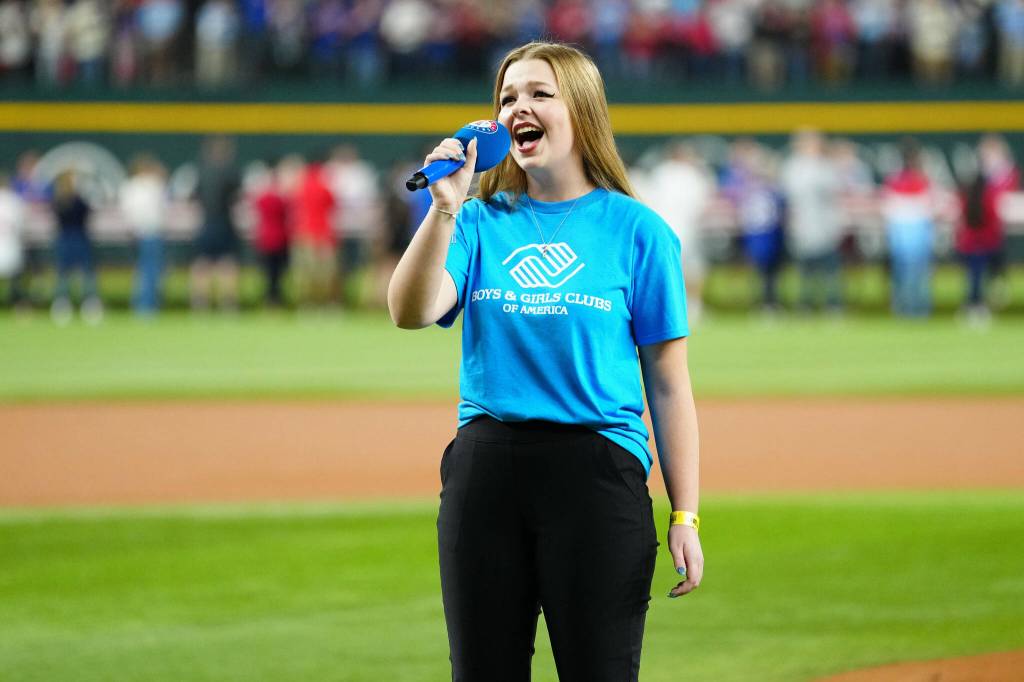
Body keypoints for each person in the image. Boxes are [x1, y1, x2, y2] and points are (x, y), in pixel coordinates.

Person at [387, 41, 703, 681]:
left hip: (598, 474)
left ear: (582, 110)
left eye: (538, 94)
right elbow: (410, 310)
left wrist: (685, 513)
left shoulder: (638, 231)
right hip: (487, 470)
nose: (517, 109)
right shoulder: (475, 220)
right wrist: (443, 208)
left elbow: (669, 387)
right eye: (506, 98)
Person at [956, 134, 1020, 325]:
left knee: (987, 266)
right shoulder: (978, 181)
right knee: (975, 271)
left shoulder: (1008, 174)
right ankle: (975, 304)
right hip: (975, 240)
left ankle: (987, 293)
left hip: (987, 239)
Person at [882, 139, 936, 318]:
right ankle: (910, 308)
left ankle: (912, 308)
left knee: (912, 273)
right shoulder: (903, 180)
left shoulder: (917, 180)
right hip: (907, 231)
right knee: (910, 273)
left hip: (911, 230)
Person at [191, 135, 241, 312]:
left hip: (208, 223)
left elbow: (194, 198)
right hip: (221, 223)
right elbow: (237, 197)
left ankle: (201, 303)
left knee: (204, 263)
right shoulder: (229, 172)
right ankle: (227, 303)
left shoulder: (202, 171)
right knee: (225, 264)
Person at [50, 170, 102, 325]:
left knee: (84, 273)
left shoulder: (72, 200)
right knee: (65, 274)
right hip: (69, 237)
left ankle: (90, 304)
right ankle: (62, 305)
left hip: (76, 237)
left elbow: (86, 214)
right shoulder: (63, 201)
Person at [119, 153, 168, 316]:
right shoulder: (152, 185)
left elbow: (126, 211)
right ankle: (147, 305)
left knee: (143, 270)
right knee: (150, 270)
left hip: (138, 233)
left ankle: (143, 304)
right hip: (149, 233)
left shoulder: (130, 187)